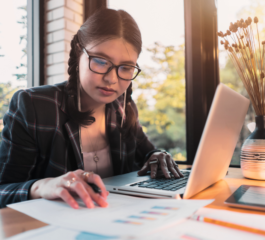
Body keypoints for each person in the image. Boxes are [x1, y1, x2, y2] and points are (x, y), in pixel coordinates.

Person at [0, 8, 183, 209]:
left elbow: (148, 153)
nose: (111, 79)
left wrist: (159, 156)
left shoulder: (123, 108)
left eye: (126, 67)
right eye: (100, 61)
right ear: (79, 52)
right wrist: (42, 186)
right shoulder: (33, 106)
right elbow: (3, 190)